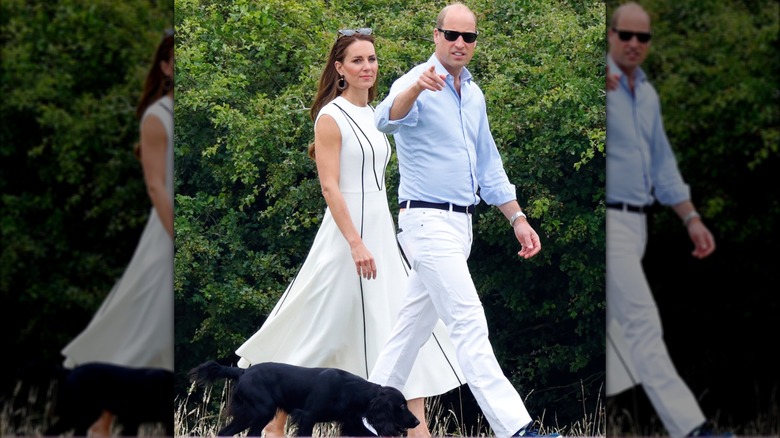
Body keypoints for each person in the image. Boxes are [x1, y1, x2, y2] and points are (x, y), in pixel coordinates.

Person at [233, 28, 465, 438]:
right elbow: (330, 186)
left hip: (381, 230)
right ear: (339, 68)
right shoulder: (330, 116)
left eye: (372, 59)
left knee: (398, 326)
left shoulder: (377, 114)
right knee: (320, 328)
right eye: (357, 60)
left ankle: (419, 429)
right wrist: (355, 242)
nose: (367, 67)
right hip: (347, 237)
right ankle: (274, 425)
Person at [365, 3, 560, 437]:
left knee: (409, 332)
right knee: (469, 322)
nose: (459, 43)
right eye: (451, 35)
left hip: (461, 226)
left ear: (475, 43)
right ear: (436, 36)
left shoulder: (473, 95)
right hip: (425, 223)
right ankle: (517, 429)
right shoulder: (417, 80)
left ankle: (365, 418)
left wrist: (518, 218)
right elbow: (384, 119)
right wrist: (416, 89)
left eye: (468, 37)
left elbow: (489, 165)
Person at [604, 3, 728, 437]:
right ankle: (692, 429)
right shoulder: (602, 82)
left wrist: (691, 218)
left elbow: (663, 165)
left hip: (638, 222)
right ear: (611, 35)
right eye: (626, 35)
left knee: (622, 338)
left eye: (644, 38)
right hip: (609, 222)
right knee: (641, 324)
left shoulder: (647, 94)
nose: (635, 44)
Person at [59, 29, 175, 437]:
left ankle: (108, 423)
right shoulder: (157, 116)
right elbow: (156, 185)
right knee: (141, 325)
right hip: (163, 230)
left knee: (153, 332)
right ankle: (100, 423)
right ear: (165, 65)